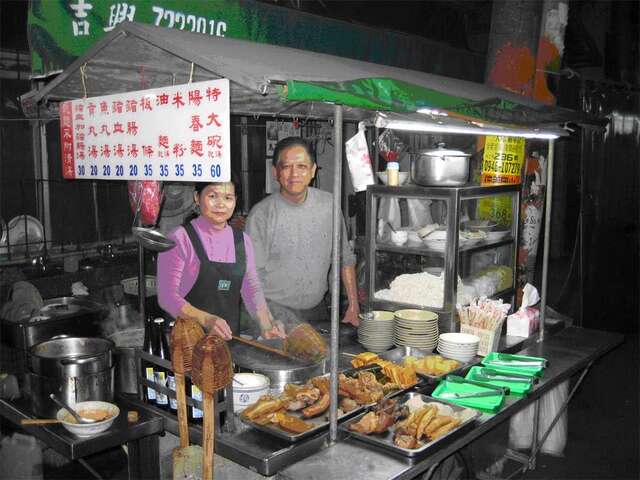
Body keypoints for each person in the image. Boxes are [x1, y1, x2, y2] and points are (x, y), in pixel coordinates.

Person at [246, 137, 360, 329]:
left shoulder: (329, 205)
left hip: (316, 310)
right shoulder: (262, 214)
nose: (294, 174)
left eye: (301, 166)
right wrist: (266, 322)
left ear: (313, 170)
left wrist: (354, 305)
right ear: (275, 172)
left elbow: (344, 258)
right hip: (274, 310)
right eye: (286, 166)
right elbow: (251, 277)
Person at [157, 180, 285, 340]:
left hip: (228, 345)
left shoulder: (242, 241)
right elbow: (167, 297)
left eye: (228, 198)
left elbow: (252, 289)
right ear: (197, 197)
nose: (221, 205)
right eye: (212, 196)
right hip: (185, 345)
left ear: (235, 201)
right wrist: (205, 319)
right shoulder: (179, 238)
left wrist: (266, 325)